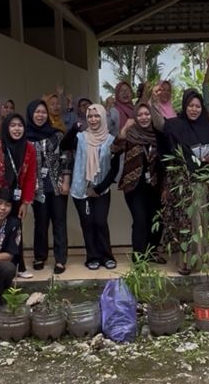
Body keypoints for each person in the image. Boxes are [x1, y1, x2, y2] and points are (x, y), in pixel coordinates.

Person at [153, 88, 209, 272]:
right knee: (186, 222)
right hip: (183, 183)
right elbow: (159, 125)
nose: (194, 109)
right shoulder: (176, 125)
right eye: (191, 106)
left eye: (198, 106)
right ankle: (185, 262)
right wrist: (153, 101)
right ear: (185, 106)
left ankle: (204, 259)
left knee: (203, 222)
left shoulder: (206, 126)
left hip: (204, 182)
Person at [0, 112, 36, 276]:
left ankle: (18, 268)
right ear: (6, 128)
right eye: (13, 125)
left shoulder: (29, 149)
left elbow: (31, 176)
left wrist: (26, 202)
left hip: (16, 197)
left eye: (20, 125)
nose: (17, 129)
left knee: (15, 230)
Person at [63, 102, 117, 270]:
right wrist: (74, 129)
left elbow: (114, 169)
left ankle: (106, 256)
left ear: (102, 117)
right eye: (90, 116)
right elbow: (63, 146)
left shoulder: (111, 140)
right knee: (87, 224)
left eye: (96, 116)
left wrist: (98, 188)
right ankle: (92, 257)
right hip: (81, 189)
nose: (93, 119)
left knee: (100, 222)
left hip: (101, 189)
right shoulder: (80, 137)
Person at [112, 100, 165, 258]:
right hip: (134, 186)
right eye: (140, 115)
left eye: (147, 114)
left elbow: (166, 163)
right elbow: (114, 149)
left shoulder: (159, 136)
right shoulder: (130, 134)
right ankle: (139, 256)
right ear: (135, 117)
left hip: (155, 185)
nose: (143, 117)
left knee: (156, 219)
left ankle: (152, 252)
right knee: (140, 220)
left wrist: (166, 187)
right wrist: (124, 129)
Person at [25, 100, 70, 273]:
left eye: (43, 112)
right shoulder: (25, 137)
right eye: (37, 112)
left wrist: (66, 181)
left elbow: (66, 157)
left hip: (57, 185)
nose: (40, 115)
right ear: (30, 114)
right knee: (41, 223)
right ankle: (39, 256)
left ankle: (60, 259)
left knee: (59, 222)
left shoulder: (57, 135)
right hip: (37, 188)